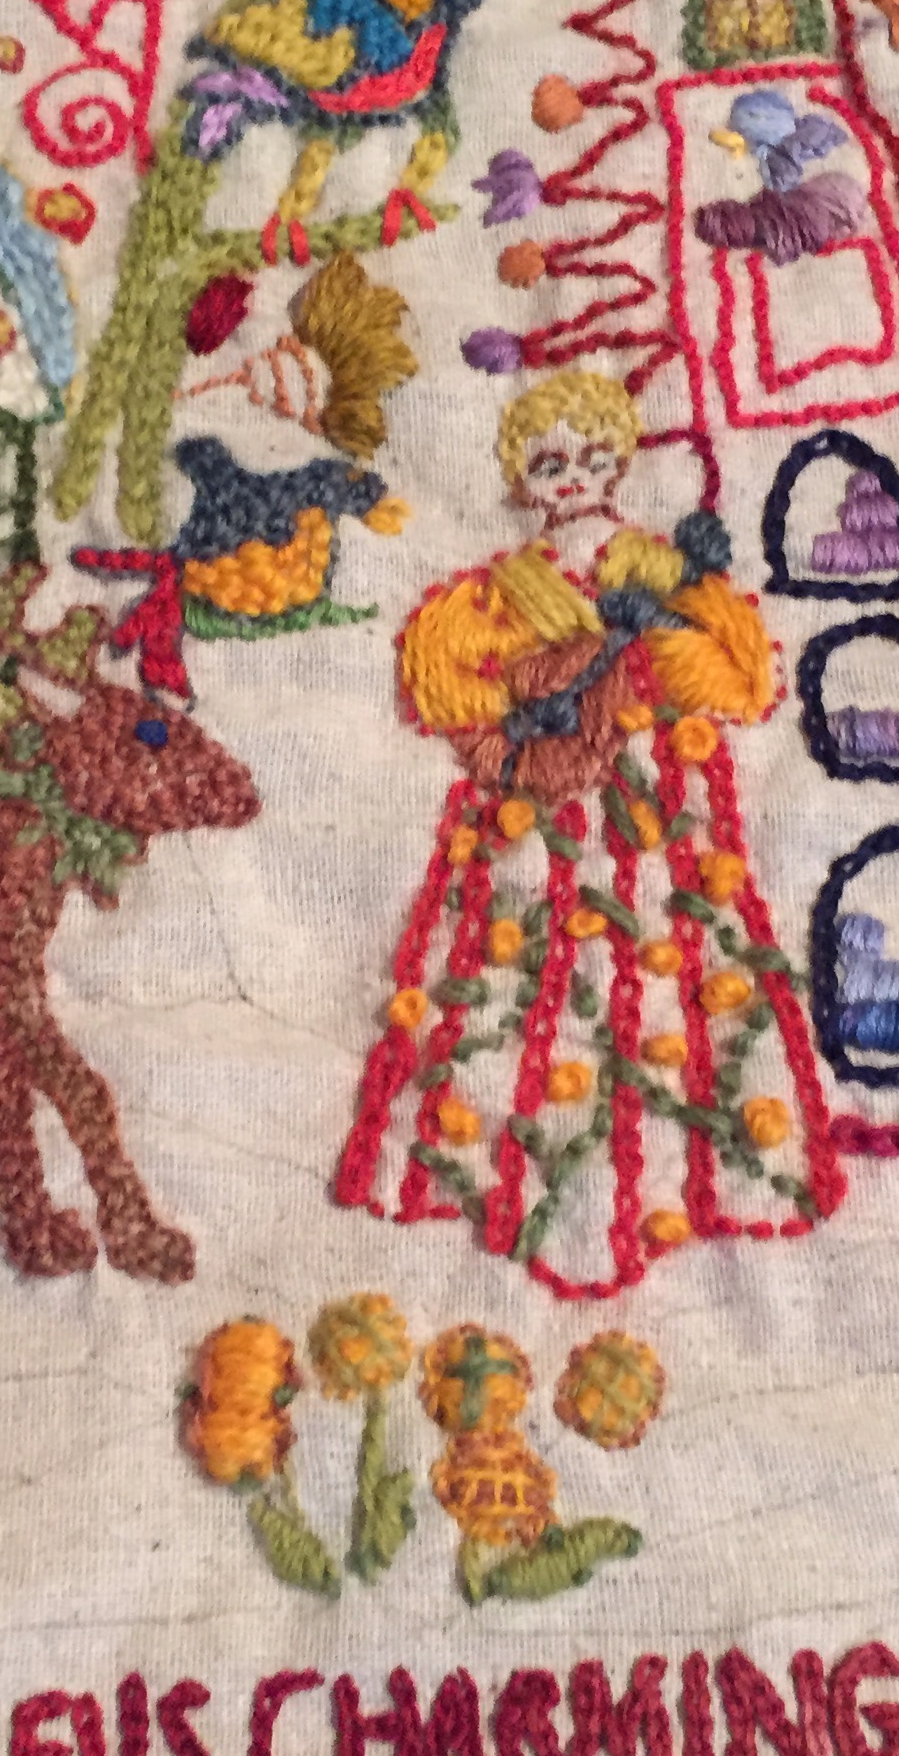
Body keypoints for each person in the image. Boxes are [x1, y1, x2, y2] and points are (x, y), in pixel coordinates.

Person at [334, 371, 844, 1298]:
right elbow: (450, 683)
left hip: (655, 799)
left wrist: (656, 640)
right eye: (547, 463)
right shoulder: (500, 589)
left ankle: (702, 1181)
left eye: (592, 457)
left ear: (619, 464)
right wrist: (527, 715)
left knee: (677, 965)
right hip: (539, 804)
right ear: (520, 478)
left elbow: (736, 677)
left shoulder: (656, 568)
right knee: (524, 966)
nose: (570, 476)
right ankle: (483, 1171)